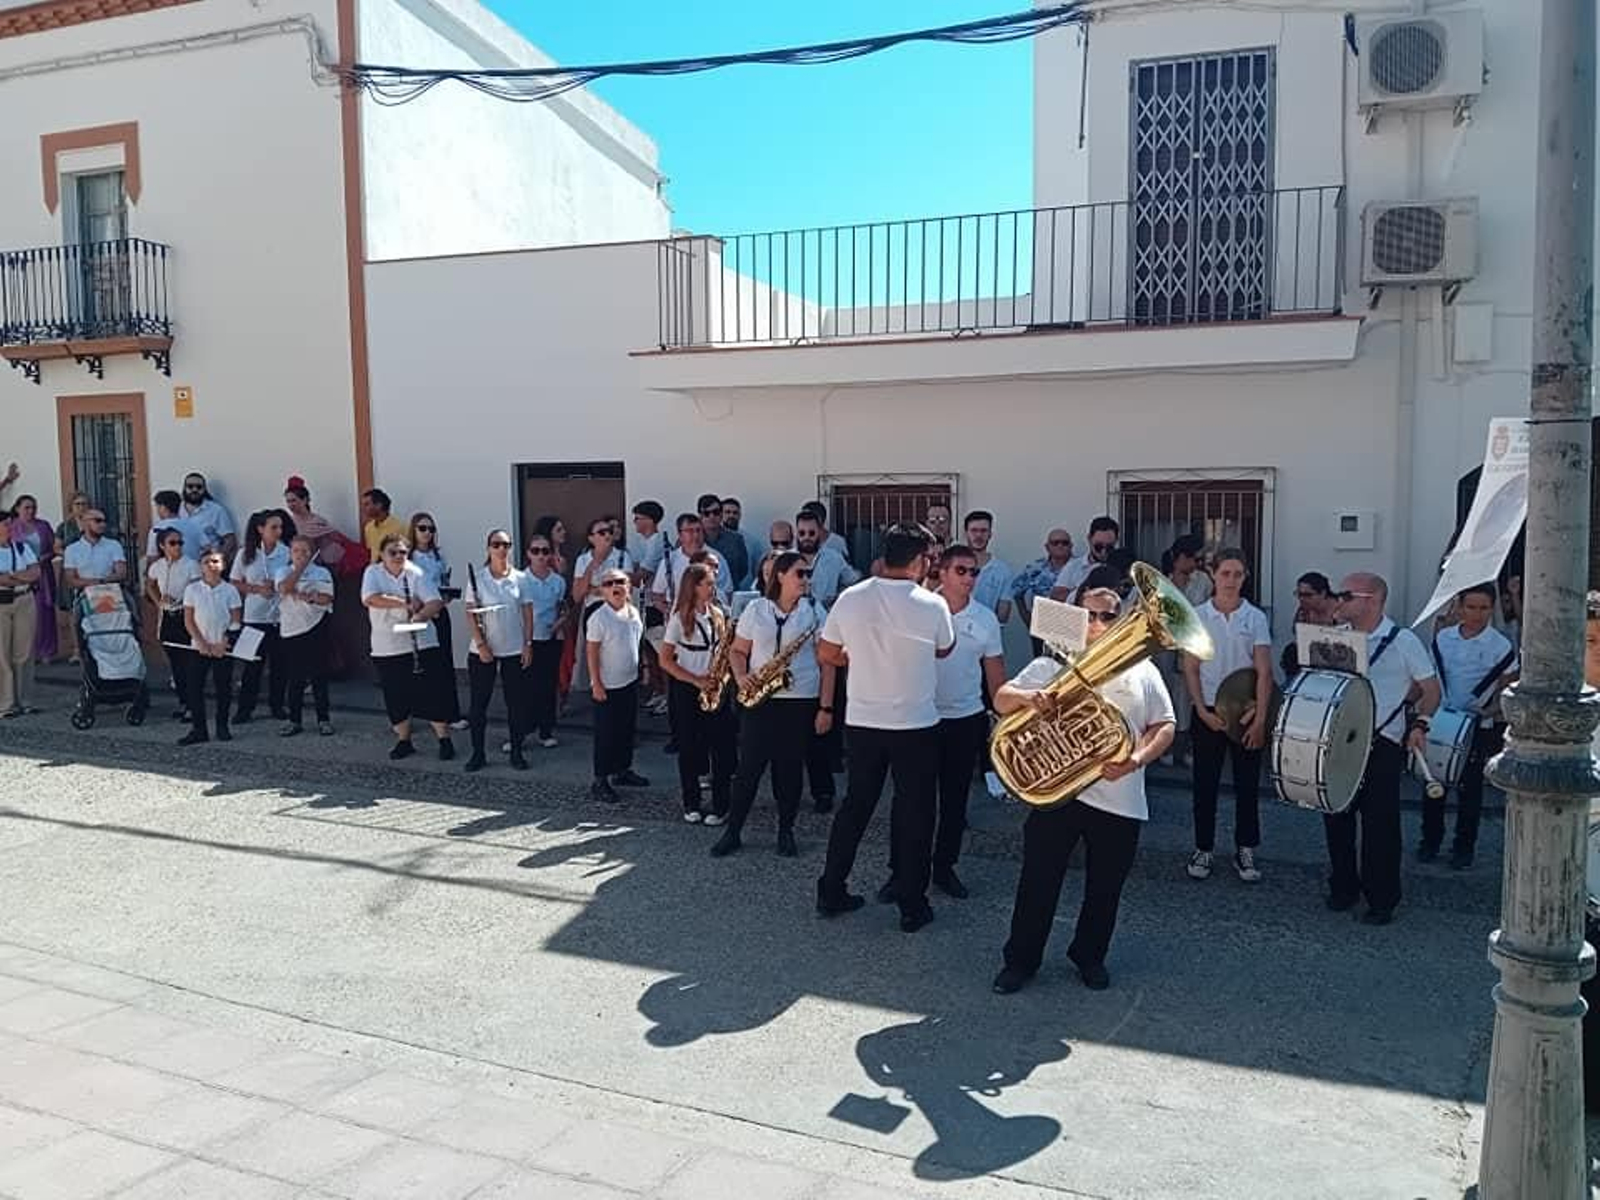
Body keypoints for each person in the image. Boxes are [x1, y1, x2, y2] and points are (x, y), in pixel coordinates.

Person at [991, 581, 1176, 994]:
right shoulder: (1052, 663)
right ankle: (1020, 961)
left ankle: (1089, 957)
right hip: (1059, 795)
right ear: (1076, 617)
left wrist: (1136, 759)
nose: (1098, 623)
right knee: (1038, 881)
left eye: (1109, 615)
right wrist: (1028, 698)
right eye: (1090, 614)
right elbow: (1002, 698)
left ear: (1122, 619)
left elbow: (1165, 725)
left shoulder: (1142, 669)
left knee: (1105, 888)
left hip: (1120, 796)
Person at [816, 523, 955, 932]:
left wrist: (860, 656)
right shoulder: (932, 605)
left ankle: (831, 888)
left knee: (855, 808)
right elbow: (944, 648)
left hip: (862, 721)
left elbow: (827, 652)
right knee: (916, 813)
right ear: (920, 560)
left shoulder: (851, 597)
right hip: (915, 724)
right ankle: (912, 904)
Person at [879, 544, 1005, 902]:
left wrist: (1005, 717)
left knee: (954, 802)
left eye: (974, 571)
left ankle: (944, 868)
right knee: (909, 801)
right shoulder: (916, 608)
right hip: (918, 718)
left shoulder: (985, 619)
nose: (969, 578)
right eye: (961, 571)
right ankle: (899, 872)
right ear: (942, 573)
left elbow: (995, 675)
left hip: (965, 719)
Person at [1326, 572, 1440, 925]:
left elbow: (1430, 689)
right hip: (1341, 740)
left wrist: (1420, 724)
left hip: (1383, 742)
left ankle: (1382, 899)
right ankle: (1344, 888)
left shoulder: (1403, 640)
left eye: (1346, 596)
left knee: (1381, 827)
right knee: (1336, 817)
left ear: (1372, 600)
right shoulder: (1336, 638)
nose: (1338, 601)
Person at [713, 550, 834, 858]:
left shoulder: (813, 610)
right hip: (761, 699)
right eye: (800, 573)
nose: (806, 579)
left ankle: (786, 831)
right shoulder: (757, 609)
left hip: (800, 699)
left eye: (807, 574)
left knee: (790, 769)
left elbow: (828, 662)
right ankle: (733, 831)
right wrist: (741, 678)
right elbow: (738, 651)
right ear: (780, 575)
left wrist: (826, 707)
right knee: (749, 768)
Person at [1182, 549, 1273, 884]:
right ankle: (1203, 847)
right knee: (1204, 785)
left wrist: (1261, 718)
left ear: (1245, 577)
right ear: (1213, 575)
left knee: (1247, 786)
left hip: (1245, 714)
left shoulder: (1255, 618)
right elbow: (1190, 668)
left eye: (1237, 574)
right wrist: (1202, 712)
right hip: (1208, 712)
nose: (1231, 580)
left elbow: (1264, 671)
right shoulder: (1198, 615)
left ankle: (1245, 848)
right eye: (1225, 574)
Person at [1422, 583, 1518, 869]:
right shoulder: (1444, 638)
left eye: (1484, 608)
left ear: (1492, 609)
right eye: (1471, 607)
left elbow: (1507, 689)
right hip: (1442, 719)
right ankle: (1430, 841)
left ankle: (1463, 847)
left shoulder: (1500, 646)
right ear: (1460, 607)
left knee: (1470, 789)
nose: (1477, 614)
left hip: (1477, 725)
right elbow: (1433, 677)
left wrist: (1486, 711)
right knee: (1434, 782)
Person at [361, 533, 456, 761]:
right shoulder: (373, 572)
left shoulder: (415, 572)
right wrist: (404, 602)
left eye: (402, 552)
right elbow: (370, 598)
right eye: (392, 552)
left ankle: (444, 739)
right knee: (395, 694)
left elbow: (434, 601)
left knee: (432, 691)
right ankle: (404, 740)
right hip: (388, 644)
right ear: (382, 554)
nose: (397, 556)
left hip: (421, 642)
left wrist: (421, 615)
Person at [659, 562, 739, 823]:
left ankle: (721, 805)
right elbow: (665, 660)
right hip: (688, 687)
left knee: (722, 749)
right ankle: (691, 803)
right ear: (693, 587)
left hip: (716, 685)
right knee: (689, 747)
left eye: (713, 583)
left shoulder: (717, 613)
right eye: (707, 583)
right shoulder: (680, 618)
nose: (711, 587)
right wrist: (694, 680)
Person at [461, 529, 532, 773]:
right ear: (488, 548)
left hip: (513, 648)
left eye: (506, 544)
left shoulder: (521, 578)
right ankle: (477, 753)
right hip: (484, 650)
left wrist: (528, 643)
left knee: (516, 703)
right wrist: (480, 644)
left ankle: (517, 751)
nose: (501, 549)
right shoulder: (478, 578)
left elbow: (527, 612)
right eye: (496, 544)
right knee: (479, 704)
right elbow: (470, 613)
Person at [586, 567, 648, 803]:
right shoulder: (599, 618)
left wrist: (643, 669)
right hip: (607, 686)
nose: (616, 587)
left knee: (626, 729)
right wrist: (596, 683)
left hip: (629, 682)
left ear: (628, 586)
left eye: (620, 582)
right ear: (602, 590)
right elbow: (592, 652)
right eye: (609, 583)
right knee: (606, 734)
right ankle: (600, 780)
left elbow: (637, 643)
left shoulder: (633, 612)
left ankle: (623, 770)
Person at [229, 509, 292, 724]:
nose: (278, 531)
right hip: (254, 617)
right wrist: (256, 589)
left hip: (280, 617)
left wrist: (277, 587)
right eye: (273, 527)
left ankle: (277, 705)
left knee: (280, 666)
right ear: (260, 529)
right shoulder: (246, 553)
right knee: (251, 666)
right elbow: (235, 582)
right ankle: (245, 709)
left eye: (280, 527)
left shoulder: (286, 552)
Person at [179, 550, 242, 745]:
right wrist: (201, 643)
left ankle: (222, 726)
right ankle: (199, 729)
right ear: (201, 566)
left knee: (223, 688)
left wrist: (223, 643)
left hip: (222, 647)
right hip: (199, 647)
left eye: (215, 561)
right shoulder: (192, 590)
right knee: (194, 688)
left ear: (222, 565)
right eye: (206, 562)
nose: (211, 565)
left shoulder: (230, 590)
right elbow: (189, 619)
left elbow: (235, 619)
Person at [274, 535, 335, 737]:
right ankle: (295, 720)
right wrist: (299, 569)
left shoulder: (322, 572)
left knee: (319, 675)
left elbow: (327, 597)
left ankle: (323, 719)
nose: (300, 555)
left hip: (316, 626)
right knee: (295, 677)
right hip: (292, 629)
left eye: (305, 551)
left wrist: (311, 597)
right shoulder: (283, 571)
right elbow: (284, 588)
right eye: (296, 551)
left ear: (312, 553)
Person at [408, 512, 463, 727]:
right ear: (413, 530)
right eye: (422, 528)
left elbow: (442, 582)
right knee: (423, 663)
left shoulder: (438, 556)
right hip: (420, 612)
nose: (427, 533)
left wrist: (446, 595)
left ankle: (450, 714)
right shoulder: (409, 557)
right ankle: (422, 712)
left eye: (431, 529)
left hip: (440, 611)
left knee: (444, 662)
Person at [146, 525, 199, 723]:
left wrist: (178, 599)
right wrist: (158, 599)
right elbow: (149, 584)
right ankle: (184, 703)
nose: (178, 547)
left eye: (180, 543)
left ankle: (194, 706)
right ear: (162, 546)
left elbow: (195, 589)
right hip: (167, 617)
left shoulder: (190, 565)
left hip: (184, 614)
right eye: (173, 543)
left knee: (188, 663)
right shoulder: (157, 566)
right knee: (176, 664)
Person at [520, 530, 567, 748]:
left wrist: (557, 625)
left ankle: (545, 730)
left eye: (545, 551)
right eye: (536, 551)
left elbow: (560, 609)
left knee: (547, 686)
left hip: (549, 638)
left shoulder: (557, 581)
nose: (540, 555)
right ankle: (521, 731)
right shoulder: (520, 580)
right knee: (525, 688)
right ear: (528, 554)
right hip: (526, 639)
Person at [0, 513, 42, 718]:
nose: (10, 528)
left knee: (24, 653)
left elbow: (35, 573)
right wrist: (19, 576)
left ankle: (25, 701)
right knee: (2, 654)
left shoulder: (22, 548)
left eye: (10, 524)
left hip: (24, 599)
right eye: (6, 524)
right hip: (1, 602)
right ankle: (5, 704)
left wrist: (13, 576)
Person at [10, 496, 57, 666]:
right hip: (20, 575)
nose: (31, 511)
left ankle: (47, 651)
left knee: (45, 612)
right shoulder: (11, 527)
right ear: (17, 509)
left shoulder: (43, 526)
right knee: (26, 613)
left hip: (43, 572)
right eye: (27, 508)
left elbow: (54, 548)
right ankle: (29, 652)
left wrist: (45, 557)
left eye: (33, 508)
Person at [1013, 529, 1075, 655]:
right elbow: (1017, 592)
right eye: (1055, 543)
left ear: (1071, 546)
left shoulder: (1080, 567)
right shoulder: (1035, 568)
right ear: (1047, 547)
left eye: (1064, 543)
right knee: (1043, 669)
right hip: (1042, 630)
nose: (1060, 546)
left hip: (1071, 630)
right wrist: (1028, 619)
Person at [55, 492, 91, 664]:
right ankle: (76, 649)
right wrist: (72, 555)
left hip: (90, 572)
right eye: (77, 504)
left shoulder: (93, 524)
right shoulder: (65, 527)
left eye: (84, 503)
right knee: (72, 613)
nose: (81, 507)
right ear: (71, 506)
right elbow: (57, 547)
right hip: (71, 572)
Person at [1280, 571, 1336, 679]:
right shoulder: (1304, 610)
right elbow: (1297, 633)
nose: (1302, 599)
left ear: (1323, 593)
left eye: (1307, 595)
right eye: (1299, 594)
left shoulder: (1340, 611)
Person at [963, 511, 1014, 624]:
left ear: (990, 534)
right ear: (966, 533)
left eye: (983, 531)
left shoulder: (1002, 571)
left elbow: (1003, 616)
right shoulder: (953, 566)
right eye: (974, 530)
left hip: (988, 635)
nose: (979, 535)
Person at [1051, 516, 1119, 600]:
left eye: (1109, 547)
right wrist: (1085, 588)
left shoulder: (1122, 567)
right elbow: (1056, 595)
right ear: (1089, 539)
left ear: (1116, 542)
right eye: (1098, 546)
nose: (1103, 552)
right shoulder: (1074, 566)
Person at [179, 473, 236, 560]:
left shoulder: (216, 510)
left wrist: (217, 559)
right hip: (181, 562)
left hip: (207, 563)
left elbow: (230, 539)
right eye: (190, 486)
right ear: (184, 488)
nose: (194, 490)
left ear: (204, 489)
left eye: (199, 487)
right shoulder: (176, 509)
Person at [144, 490, 201, 569]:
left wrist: (148, 573)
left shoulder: (157, 529)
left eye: (157, 507)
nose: (157, 511)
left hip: (169, 573)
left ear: (163, 507)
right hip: (193, 570)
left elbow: (152, 557)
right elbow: (207, 548)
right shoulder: (193, 525)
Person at [360, 489, 406, 561]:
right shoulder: (368, 528)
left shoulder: (400, 527)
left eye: (367, 504)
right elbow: (370, 552)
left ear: (379, 505)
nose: (363, 508)